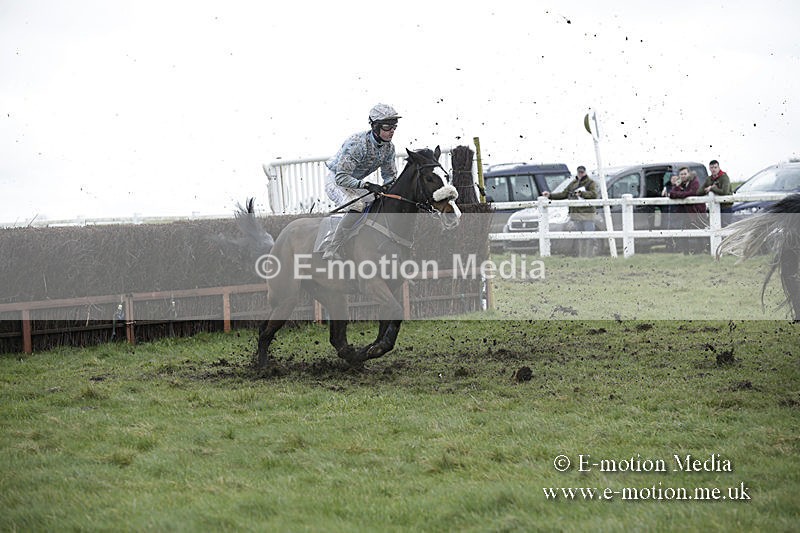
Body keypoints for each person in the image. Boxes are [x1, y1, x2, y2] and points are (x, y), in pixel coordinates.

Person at [322, 103, 401, 260]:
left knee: (380, 202)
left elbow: (390, 176)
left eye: (394, 126)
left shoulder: (389, 148)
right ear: (375, 126)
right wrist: (366, 185)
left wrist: (388, 186)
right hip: (337, 181)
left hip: (354, 182)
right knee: (357, 205)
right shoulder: (357, 144)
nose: (391, 131)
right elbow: (341, 177)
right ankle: (331, 246)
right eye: (387, 126)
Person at [543, 165, 598, 257]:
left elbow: (594, 194)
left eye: (582, 172)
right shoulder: (573, 184)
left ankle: (590, 256)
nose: (580, 174)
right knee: (580, 237)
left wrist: (582, 193)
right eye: (579, 172)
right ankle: (582, 256)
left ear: (585, 172)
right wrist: (550, 196)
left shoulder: (590, 183)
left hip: (587, 214)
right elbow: (564, 194)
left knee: (590, 236)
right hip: (576, 214)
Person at [668, 167, 707, 253]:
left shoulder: (695, 181)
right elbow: (671, 194)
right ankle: (685, 251)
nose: (683, 176)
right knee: (684, 231)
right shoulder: (679, 183)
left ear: (689, 174)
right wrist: (682, 194)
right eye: (681, 174)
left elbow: (692, 193)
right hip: (686, 212)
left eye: (685, 174)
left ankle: (700, 251)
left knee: (698, 231)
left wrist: (680, 194)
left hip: (697, 211)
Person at [698, 159, 733, 227]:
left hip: (725, 207)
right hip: (713, 207)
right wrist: (708, 189)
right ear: (709, 168)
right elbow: (699, 192)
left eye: (715, 167)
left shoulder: (724, 177)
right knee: (712, 226)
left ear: (719, 168)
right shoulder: (709, 179)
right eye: (711, 167)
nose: (713, 169)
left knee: (725, 227)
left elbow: (725, 192)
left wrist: (712, 188)